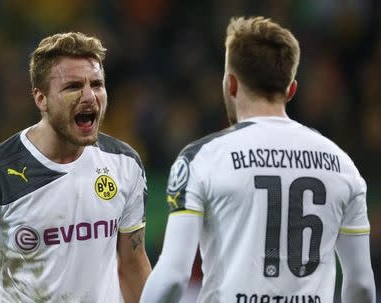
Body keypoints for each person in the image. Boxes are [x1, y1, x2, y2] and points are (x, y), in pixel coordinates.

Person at [140, 16, 376, 303]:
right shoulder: (342, 165)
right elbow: (362, 285)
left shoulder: (202, 159)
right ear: (291, 90)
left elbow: (174, 276)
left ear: (230, 84)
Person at [0, 32, 151, 303]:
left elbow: (133, 264)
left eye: (96, 84)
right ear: (41, 99)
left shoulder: (125, 164)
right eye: (73, 86)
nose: (89, 96)